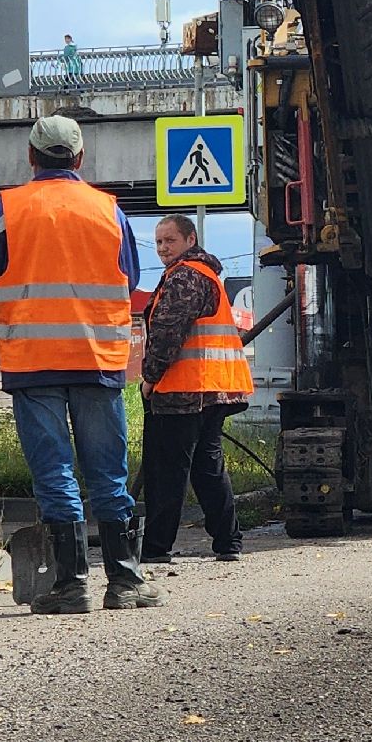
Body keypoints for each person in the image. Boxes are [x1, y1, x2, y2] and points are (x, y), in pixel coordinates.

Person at [0, 116, 154, 614]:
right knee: (107, 473)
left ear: (31, 157)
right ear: (80, 158)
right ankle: (125, 582)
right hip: (97, 360)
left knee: (55, 473)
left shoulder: (7, 210)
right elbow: (128, 278)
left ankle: (72, 586)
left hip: (35, 362)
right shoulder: (109, 212)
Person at [135, 215, 252, 563]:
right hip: (213, 391)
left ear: (190, 239)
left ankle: (156, 548)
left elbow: (169, 333)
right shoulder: (207, 274)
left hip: (182, 392)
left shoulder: (185, 277)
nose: (161, 248)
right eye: (158, 242)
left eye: (169, 241)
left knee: (166, 472)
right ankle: (229, 542)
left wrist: (150, 378)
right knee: (207, 468)